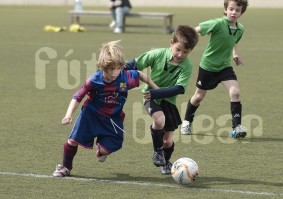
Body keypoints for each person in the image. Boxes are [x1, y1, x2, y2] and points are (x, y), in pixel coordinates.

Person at [53, 40, 158, 177]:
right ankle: (65, 167)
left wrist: (156, 89)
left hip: (113, 118)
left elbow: (140, 74)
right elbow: (77, 96)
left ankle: (100, 148)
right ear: (103, 66)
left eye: (118, 68)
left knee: (107, 149)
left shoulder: (125, 77)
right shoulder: (94, 80)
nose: (115, 72)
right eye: (111, 69)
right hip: (91, 114)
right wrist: (68, 115)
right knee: (72, 141)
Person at [125, 25, 199, 175]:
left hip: (168, 102)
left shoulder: (187, 66)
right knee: (159, 121)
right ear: (171, 43)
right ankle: (157, 151)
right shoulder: (157, 54)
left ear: (190, 51)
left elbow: (180, 88)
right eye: (178, 49)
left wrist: (157, 93)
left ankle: (165, 163)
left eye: (185, 52)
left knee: (168, 141)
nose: (180, 55)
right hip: (150, 97)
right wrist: (115, 68)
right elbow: (134, 64)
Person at [180, 0, 249, 138]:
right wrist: (184, 40)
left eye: (237, 10)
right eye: (231, 9)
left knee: (235, 92)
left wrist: (235, 54)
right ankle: (186, 122)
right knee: (199, 97)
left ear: (241, 13)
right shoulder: (217, 23)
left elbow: (234, 41)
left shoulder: (240, 29)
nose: (234, 12)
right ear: (225, 9)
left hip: (224, 67)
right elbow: (196, 30)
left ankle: (237, 127)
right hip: (208, 66)